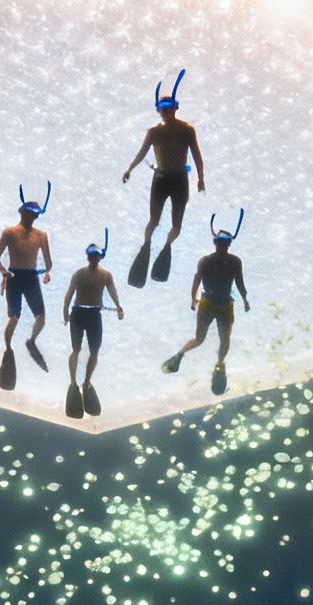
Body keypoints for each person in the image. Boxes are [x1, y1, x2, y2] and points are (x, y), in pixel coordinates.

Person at [120, 71, 204, 287]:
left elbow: (197, 156)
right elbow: (141, 153)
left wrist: (200, 179)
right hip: (161, 179)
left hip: (179, 180)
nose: (166, 113)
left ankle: (166, 246)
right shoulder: (153, 132)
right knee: (154, 220)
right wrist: (130, 168)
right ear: (159, 112)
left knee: (177, 225)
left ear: (176, 108)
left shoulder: (187, 130)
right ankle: (147, 245)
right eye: (162, 110)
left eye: (169, 109)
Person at [162, 211, 248, 395]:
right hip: (219, 305)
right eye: (223, 244)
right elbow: (238, 283)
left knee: (205, 339)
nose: (223, 247)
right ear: (225, 244)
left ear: (219, 244)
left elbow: (197, 280)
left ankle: (184, 355)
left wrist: (193, 298)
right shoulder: (231, 261)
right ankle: (217, 363)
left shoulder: (209, 261)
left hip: (210, 303)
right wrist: (245, 299)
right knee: (219, 339)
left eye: (223, 244)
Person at [0, 185, 54, 388]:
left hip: (30, 278)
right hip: (15, 276)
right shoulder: (10, 232)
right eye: (28, 214)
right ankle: (8, 348)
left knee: (41, 316)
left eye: (34, 215)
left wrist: (46, 274)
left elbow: (48, 262)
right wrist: (4, 272)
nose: (31, 218)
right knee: (14, 317)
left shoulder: (41, 235)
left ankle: (31, 341)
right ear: (21, 212)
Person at [60, 231, 123, 419]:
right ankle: (73, 383)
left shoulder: (106, 275)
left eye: (96, 255)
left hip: (94, 314)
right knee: (76, 349)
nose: (94, 258)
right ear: (88, 257)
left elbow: (112, 291)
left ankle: (86, 382)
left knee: (94, 351)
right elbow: (70, 292)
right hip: (78, 313)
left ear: (100, 257)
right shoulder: (79, 273)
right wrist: (65, 309)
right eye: (91, 255)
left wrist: (119, 306)